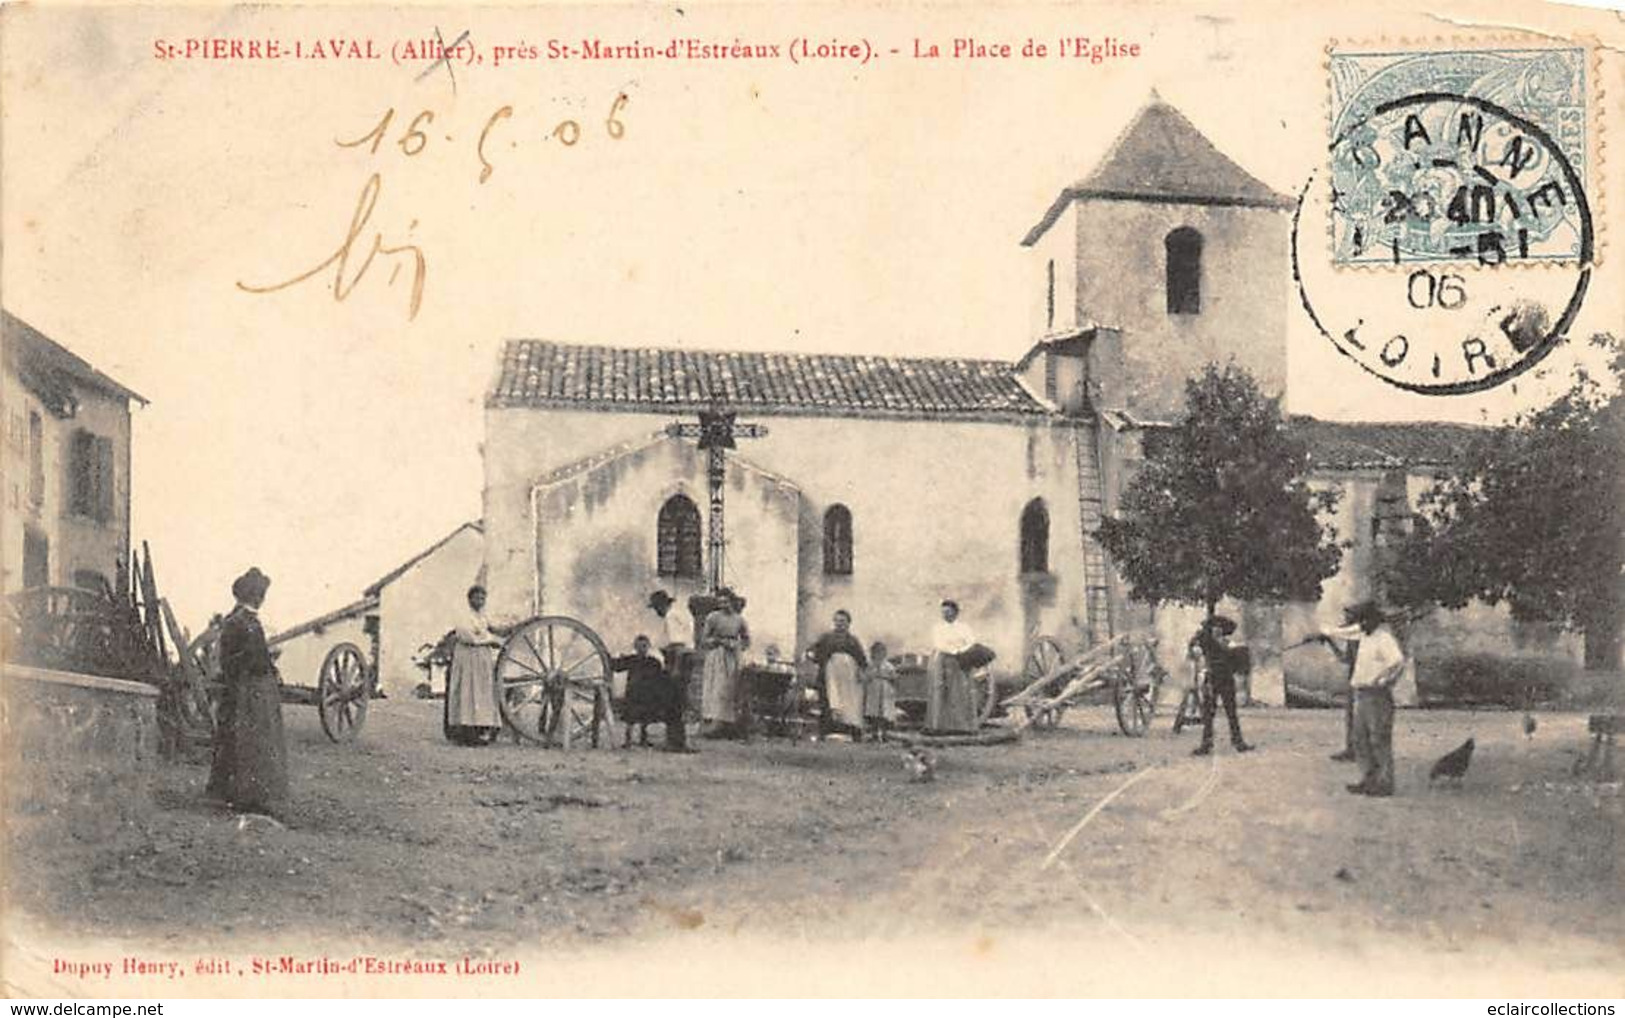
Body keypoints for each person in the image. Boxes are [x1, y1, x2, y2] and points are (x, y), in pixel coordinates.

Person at [205, 568, 289, 817]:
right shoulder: (245, 621)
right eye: (259, 594)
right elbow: (248, 657)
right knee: (254, 741)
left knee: (236, 739)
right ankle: (250, 795)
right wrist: (268, 660)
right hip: (250, 689)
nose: (261, 598)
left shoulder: (237, 619)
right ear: (254, 596)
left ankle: (231, 792)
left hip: (245, 686)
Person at [1321, 601, 1406, 796]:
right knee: (1361, 739)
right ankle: (1369, 779)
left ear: (1374, 620)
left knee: (1379, 739)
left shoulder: (1384, 638)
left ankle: (1384, 783)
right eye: (1360, 621)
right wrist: (1324, 632)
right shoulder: (1363, 635)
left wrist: (1384, 679)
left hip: (1377, 694)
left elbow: (1397, 661)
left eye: (1364, 620)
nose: (1360, 624)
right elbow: (1343, 632)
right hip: (1361, 694)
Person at [445, 585, 506, 746]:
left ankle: (479, 729)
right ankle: (465, 732)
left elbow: (494, 629)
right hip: (467, 656)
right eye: (477, 598)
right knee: (467, 692)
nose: (480, 601)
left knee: (481, 692)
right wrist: (489, 640)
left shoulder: (483, 616)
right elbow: (468, 635)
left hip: (481, 658)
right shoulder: (464, 616)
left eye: (482, 598)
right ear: (469, 599)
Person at [1188, 615, 1255, 756]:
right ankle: (1206, 743)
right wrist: (1195, 649)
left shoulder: (1227, 643)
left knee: (1231, 712)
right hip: (1211, 678)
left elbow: (1237, 658)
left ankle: (1238, 741)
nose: (1218, 630)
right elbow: (1193, 649)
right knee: (1208, 713)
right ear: (1210, 629)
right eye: (1215, 627)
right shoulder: (1204, 640)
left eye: (1220, 628)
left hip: (1226, 678)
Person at [926, 599, 992, 734]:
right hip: (943, 661)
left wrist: (962, 650)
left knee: (961, 692)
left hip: (961, 661)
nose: (946, 615)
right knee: (941, 691)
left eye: (948, 612)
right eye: (943, 612)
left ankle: (963, 727)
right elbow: (938, 644)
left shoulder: (964, 628)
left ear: (956, 613)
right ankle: (940, 726)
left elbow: (971, 641)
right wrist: (954, 650)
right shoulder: (938, 628)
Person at [806, 609, 868, 741]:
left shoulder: (853, 641)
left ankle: (851, 732)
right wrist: (811, 656)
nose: (840, 624)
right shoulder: (826, 638)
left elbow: (862, 660)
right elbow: (813, 651)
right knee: (828, 702)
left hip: (848, 680)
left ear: (848, 623)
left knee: (849, 705)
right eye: (837, 621)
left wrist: (861, 672)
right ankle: (826, 731)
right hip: (829, 677)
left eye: (843, 621)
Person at [699, 588, 751, 740]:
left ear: (732, 601)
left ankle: (728, 723)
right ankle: (713, 723)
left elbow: (746, 640)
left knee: (730, 687)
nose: (723, 605)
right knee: (716, 687)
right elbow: (704, 639)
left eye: (726, 602)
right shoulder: (712, 617)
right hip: (717, 656)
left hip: (732, 657)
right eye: (720, 602)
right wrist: (717, 641)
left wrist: (738, 645)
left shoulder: (739, 619)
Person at [648, 590, 694, 751]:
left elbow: (678, 645)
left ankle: (675, 742)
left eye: (656, 608)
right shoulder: (680, 613)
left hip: (677, 660)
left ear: (661, 605)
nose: (656, 612)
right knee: (678, 702)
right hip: (682, 658)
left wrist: (675, 669)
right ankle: (677, 741)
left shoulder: (671, 617)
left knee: (672, 702)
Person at [611, 635, 673, 749]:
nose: (641, 649)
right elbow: (616, 666)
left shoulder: (653, 662)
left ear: (648, 647)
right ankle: (628, 740)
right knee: (630, 718)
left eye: (644, 646)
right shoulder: (631, 659)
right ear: (635, 647)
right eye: (639, 647)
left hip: (647, 694)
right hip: (633, 693)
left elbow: (660, 677)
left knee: (645, 717)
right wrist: (610, 657)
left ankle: (643, 739)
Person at [863, 640, 899, 742]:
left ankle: (884, 734)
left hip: (885, 691)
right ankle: (874, 734)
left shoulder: (888, 666)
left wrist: (888, 679)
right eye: (876, 652)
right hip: (873, 690)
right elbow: (866, 677)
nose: (879, 655)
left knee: (884, 714)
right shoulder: (870, 665)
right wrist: (870, 677)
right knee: (874, 714)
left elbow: (894, 678)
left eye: (881, 652)